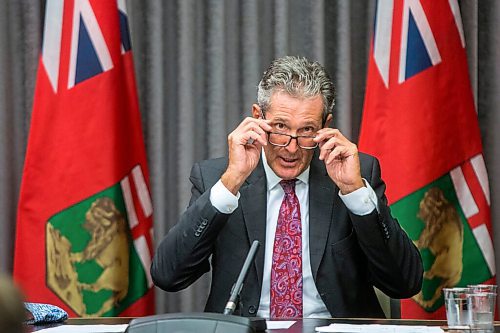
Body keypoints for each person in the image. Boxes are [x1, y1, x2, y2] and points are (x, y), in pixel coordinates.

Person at [151, 56, 423, 319]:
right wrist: (231, 182)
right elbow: (169, 276)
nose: (292, 148)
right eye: (280, 127)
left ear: (325, 126)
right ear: (258, 117)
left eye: (306, 130)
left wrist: (355, 194)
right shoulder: (216, 178)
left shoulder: (355, 174)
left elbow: (405, 283)